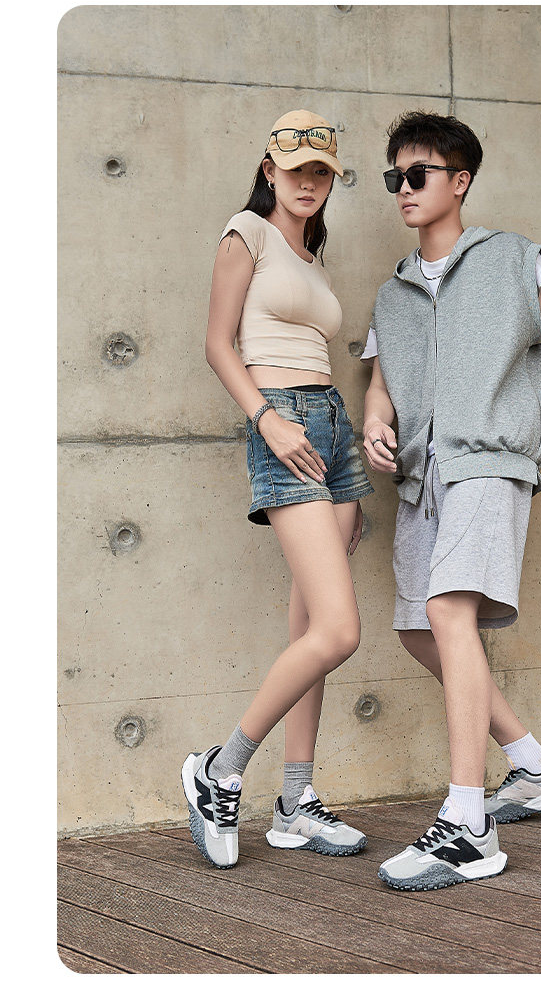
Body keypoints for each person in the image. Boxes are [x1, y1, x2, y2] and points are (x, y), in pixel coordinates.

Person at [361, 110, 541, 891]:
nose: (404, 189)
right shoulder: (393, 292)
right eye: (395, 177)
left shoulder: (511, 257)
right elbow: (381, 380)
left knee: (447, 610)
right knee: (418, 629)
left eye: (418, 174)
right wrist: (375, 421)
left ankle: (469, 821)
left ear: (460, 180)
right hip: (421, 477)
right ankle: (532, 764)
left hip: (490, 460)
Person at [182, 110, 375, 869]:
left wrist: (330, 437)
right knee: (340, 630)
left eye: (321, 171)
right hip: (284, 424)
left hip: (330, 427)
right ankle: (220, 767)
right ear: (270, 169)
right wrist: (267, 419)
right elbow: (217, 343)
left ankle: (295, 801)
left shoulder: (310, 255)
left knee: (312, 631)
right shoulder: (247, 234)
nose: (308, 182)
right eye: (296, 169)